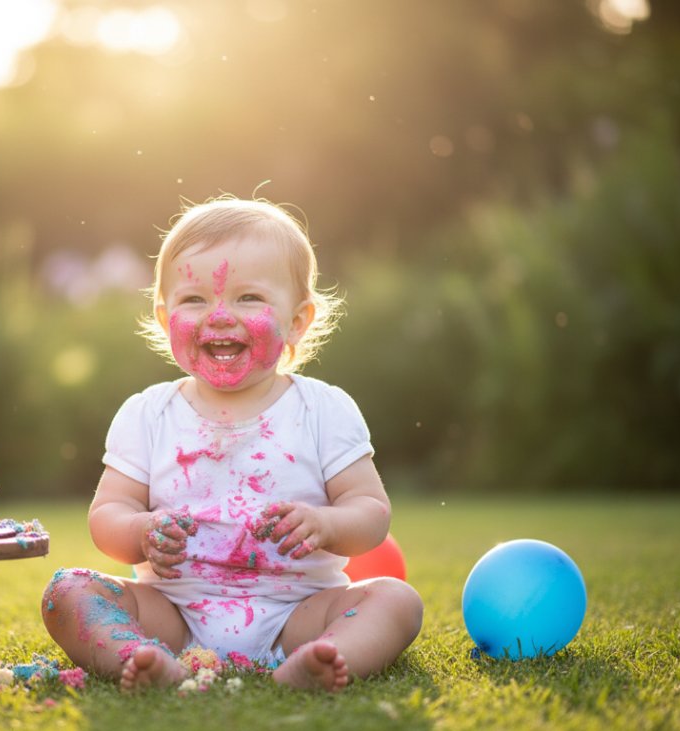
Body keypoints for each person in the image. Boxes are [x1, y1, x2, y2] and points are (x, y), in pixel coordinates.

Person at [41, 196, 423, 691]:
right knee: (67, 591)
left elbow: (371, 511)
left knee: (397, 600)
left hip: (298, 612)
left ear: (298, 320)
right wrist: (143, 530)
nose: (220, 316)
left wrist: (326, 523)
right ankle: (142, 657)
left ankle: (319, 658)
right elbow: (107, 515)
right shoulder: (148, 413)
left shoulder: (323, 409)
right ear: (163, 317)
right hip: (172, 612)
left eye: (248, 298)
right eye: (194, 300)